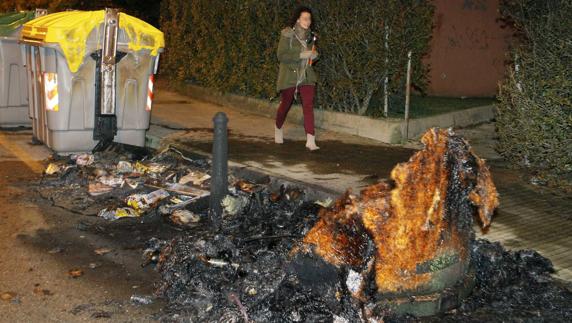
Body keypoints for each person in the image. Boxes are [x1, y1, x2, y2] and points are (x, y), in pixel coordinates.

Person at [274, 5, 319, 150]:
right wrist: (299, 55)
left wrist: (314, 55)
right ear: (298, 20)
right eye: (305, 18)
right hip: (290, 74)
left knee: (308, 104)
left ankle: (311, 139)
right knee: (286, 103)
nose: (308, 21)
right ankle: (278, 128)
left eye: (309, 18)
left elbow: (313, 53)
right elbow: (281, 55)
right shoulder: (287, 34)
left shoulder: (311, 36)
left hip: (306, 74)